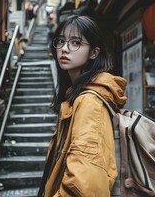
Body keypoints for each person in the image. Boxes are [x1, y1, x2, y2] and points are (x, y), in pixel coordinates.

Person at [38, 15, 127, 197]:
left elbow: (84, 187)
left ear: (94, 53)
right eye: (61, 41)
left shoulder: (89, 102)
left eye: (76, 43)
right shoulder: (75, 96)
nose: (64, 48)